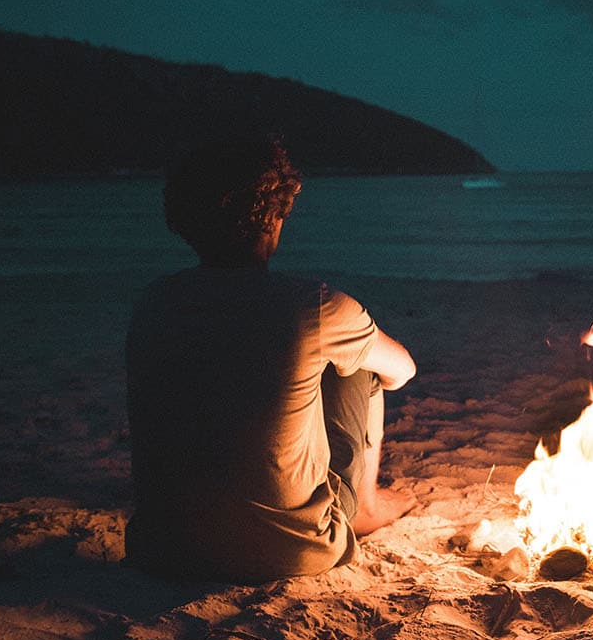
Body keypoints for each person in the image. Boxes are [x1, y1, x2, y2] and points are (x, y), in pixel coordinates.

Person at [124, 139, 417, 583]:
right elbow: (402, 371)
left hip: (162, 548)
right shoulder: (313, 307)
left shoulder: (154, 302)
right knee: (360, 365)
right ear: (274, 219)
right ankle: (366, 506)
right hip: (292, 551)